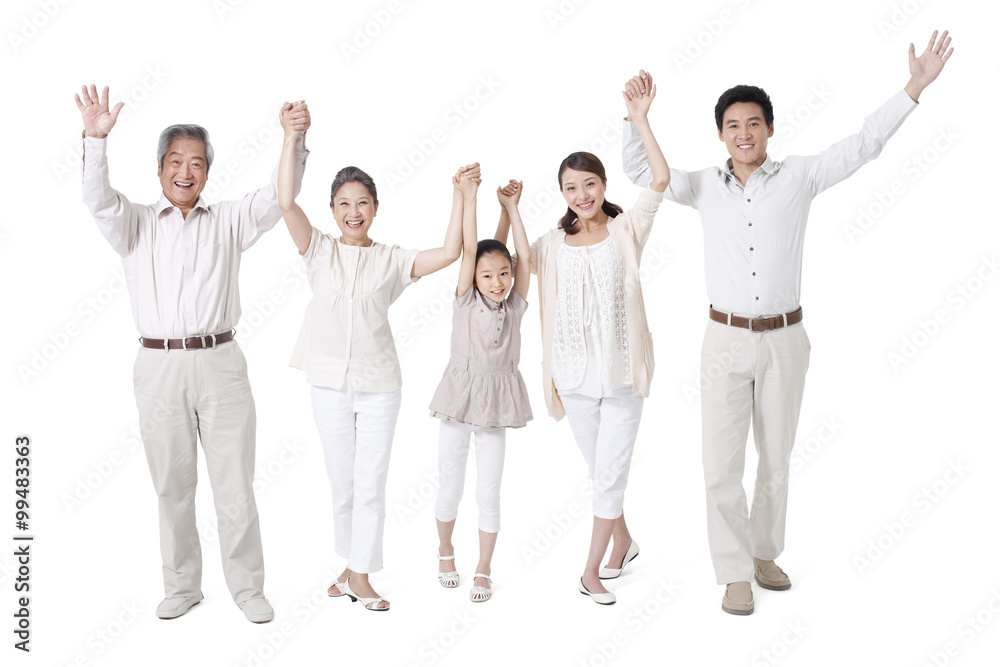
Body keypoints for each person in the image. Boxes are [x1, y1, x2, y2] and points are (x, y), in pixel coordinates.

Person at [621, 31, 954, 615]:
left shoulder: (800, 175)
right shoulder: (700, 185)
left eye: (754, 123)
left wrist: (915, 86)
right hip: (723, 339)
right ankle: (733, 572)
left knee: (776, 456)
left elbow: (864, 143)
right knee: (720, 461)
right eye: (732, 125)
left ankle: (763, 553)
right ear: (720, 134)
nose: (743, 133)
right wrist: (636, 117)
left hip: (785, 339)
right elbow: (637, 167)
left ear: (769, 129)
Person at [77, 84, 311, 623]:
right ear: (160, 170)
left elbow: (282, 197)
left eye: (198, 164)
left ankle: (247, 588)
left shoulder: (228, 218)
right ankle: (182, 586)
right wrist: (94, 139)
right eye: (176, 162)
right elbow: (95, 199)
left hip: (222, 363)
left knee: (235, 482)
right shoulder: (132, 222)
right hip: (158, 367)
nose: (186, 172)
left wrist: (294, 138)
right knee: (172, 484)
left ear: (208, 172)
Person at [277, 106, 472, 611]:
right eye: (343, 203)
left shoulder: (391, 259)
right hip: (326, 384)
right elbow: (283, 200)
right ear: (332, 210)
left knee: (370, 484)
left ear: (376, 207)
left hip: (379, 386)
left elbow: (450, 252)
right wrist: (290, 137)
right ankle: (348, 567)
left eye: (362, 202)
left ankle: (361, 576)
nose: (353, 211)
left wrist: (460, 194)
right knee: (342, 484)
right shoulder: (317, 250)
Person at [519, 75, 670, 604]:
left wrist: (640, 119)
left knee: (608, 477)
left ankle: (591, 571)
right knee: (602, 473)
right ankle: (623, 541)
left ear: (603, 185)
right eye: (570, 188)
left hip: (623, 376)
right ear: (561, 194)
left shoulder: (628, 230)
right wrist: (511, 211)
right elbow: (518, 266)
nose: (581, 195)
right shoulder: (552, 244)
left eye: (589, 184)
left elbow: (660, 177)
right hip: (574, 380)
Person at [430, 175, 533, 603]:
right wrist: (468, 198)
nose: (497, 281)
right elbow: (475, 251)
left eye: (503, 274)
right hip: (458, 400)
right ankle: (445, 551)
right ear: (473, 278)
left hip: (496, 405)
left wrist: (511, 210)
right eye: (487, 276)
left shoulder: (514, 305)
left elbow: (519, 255)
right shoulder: (466, 300)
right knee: (450, 482)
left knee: (489, 489)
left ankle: (484, 567)